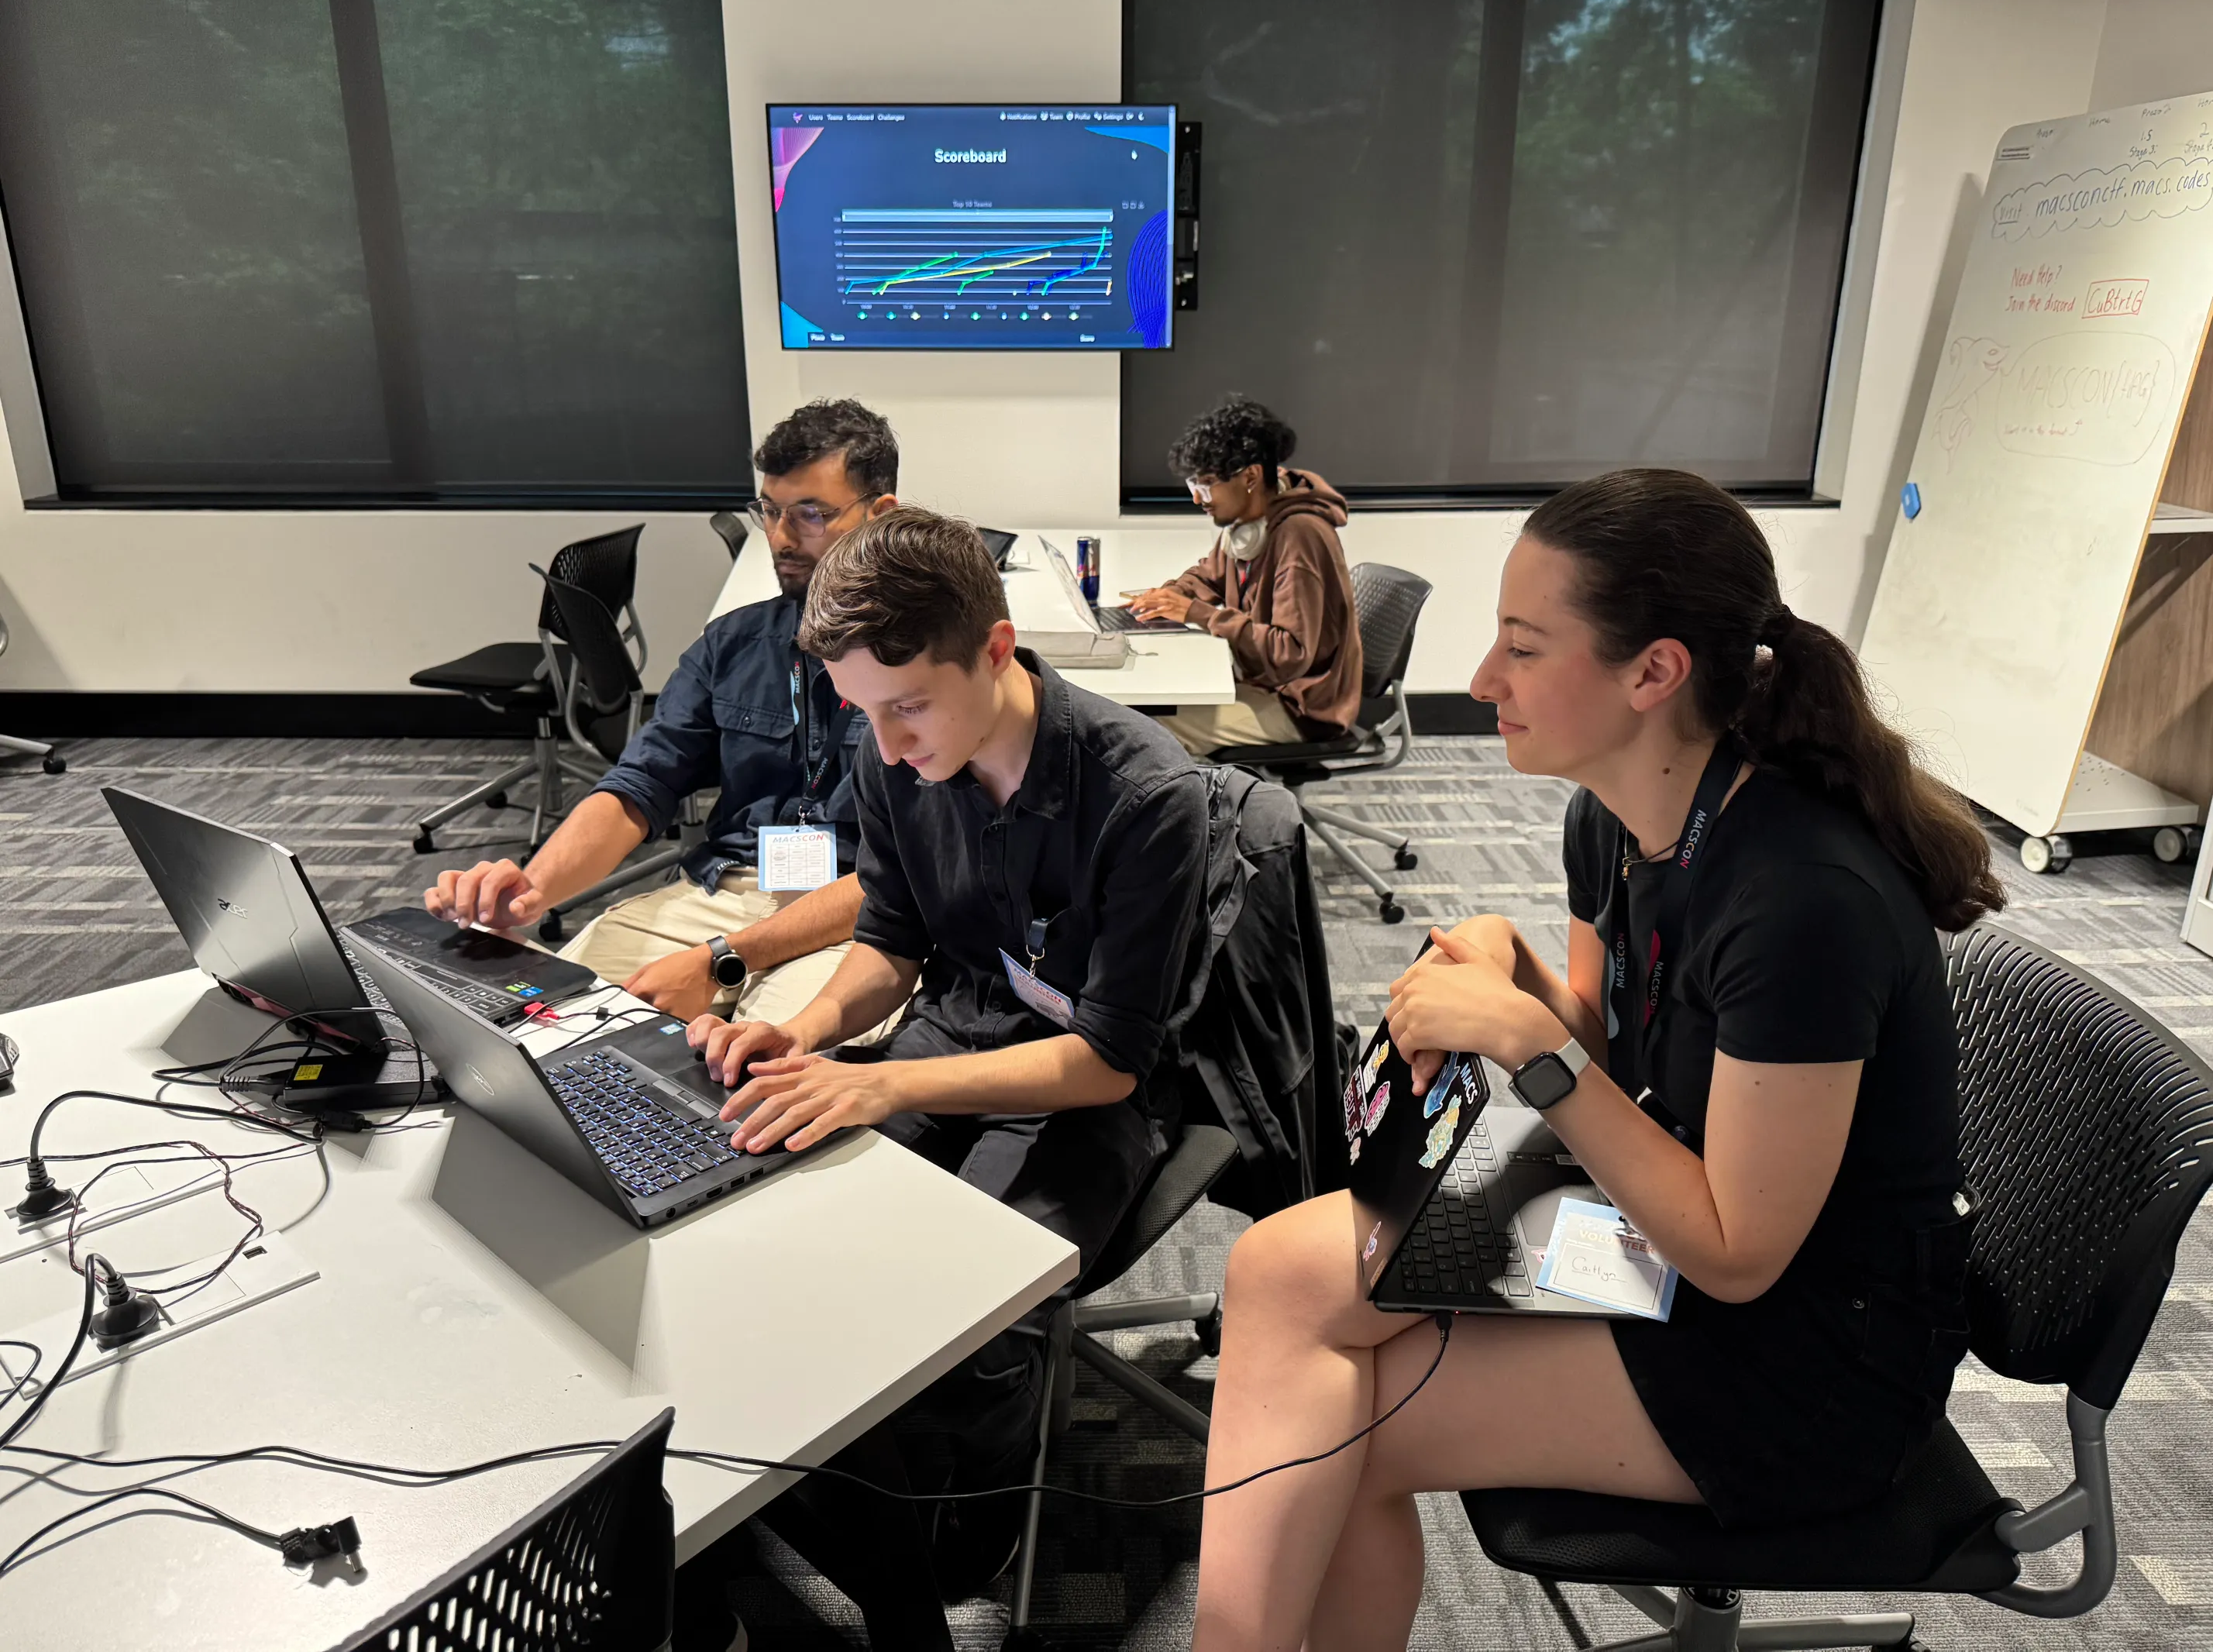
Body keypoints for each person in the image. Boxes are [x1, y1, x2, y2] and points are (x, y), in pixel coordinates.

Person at [1189, 468, 2004, 1650]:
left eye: (1524, 647)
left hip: (1803, 1353)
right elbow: (1617, 1042)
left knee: (1334, 1426)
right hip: (1655, 1222)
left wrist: (1531, 1052)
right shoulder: (1615, 817)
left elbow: (1737, 1254)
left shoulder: (1802, 903)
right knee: (1276, 1275)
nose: (1481, 681)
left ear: (1654, 671)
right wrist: (1517, 975)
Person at [683, 504, 1213, 1619]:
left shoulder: (1146, 792)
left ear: (998, 650)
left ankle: (966, 1515)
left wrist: (882, 1081)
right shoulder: (895, 755)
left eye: (909, 705)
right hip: (954, 1031)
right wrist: (812, 1030)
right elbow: (891, 942)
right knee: (774, 1213)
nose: (885, 746)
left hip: (1084, 1089)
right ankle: (847, 1490)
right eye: (862, 714)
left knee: (964, 1305)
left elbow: (1109, 1061)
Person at [422, 399, 900, 1028]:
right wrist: (532, 891)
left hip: (856, 914)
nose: (782, 538)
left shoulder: (922, 665)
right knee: (555, 1033)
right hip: (723, 891)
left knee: (766, 1084)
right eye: (771, 512)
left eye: (812, 514)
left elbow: (910, 869)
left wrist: (721, 960)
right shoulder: (733, 644)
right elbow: (640, 786)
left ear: (880, 515)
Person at [1127, 395, 1363, 754]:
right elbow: (1208, 576)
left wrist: (1196, 613)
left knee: (1141, 732)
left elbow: (1289, 653)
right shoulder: (1249, 524)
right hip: (1263, 683)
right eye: (1193, 485)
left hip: (1300, 706)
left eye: (1206, 484)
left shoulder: (1300, 536)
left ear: (1251, 476)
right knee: (1134, 714)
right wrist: (1171, 595)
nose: (1197, 499)